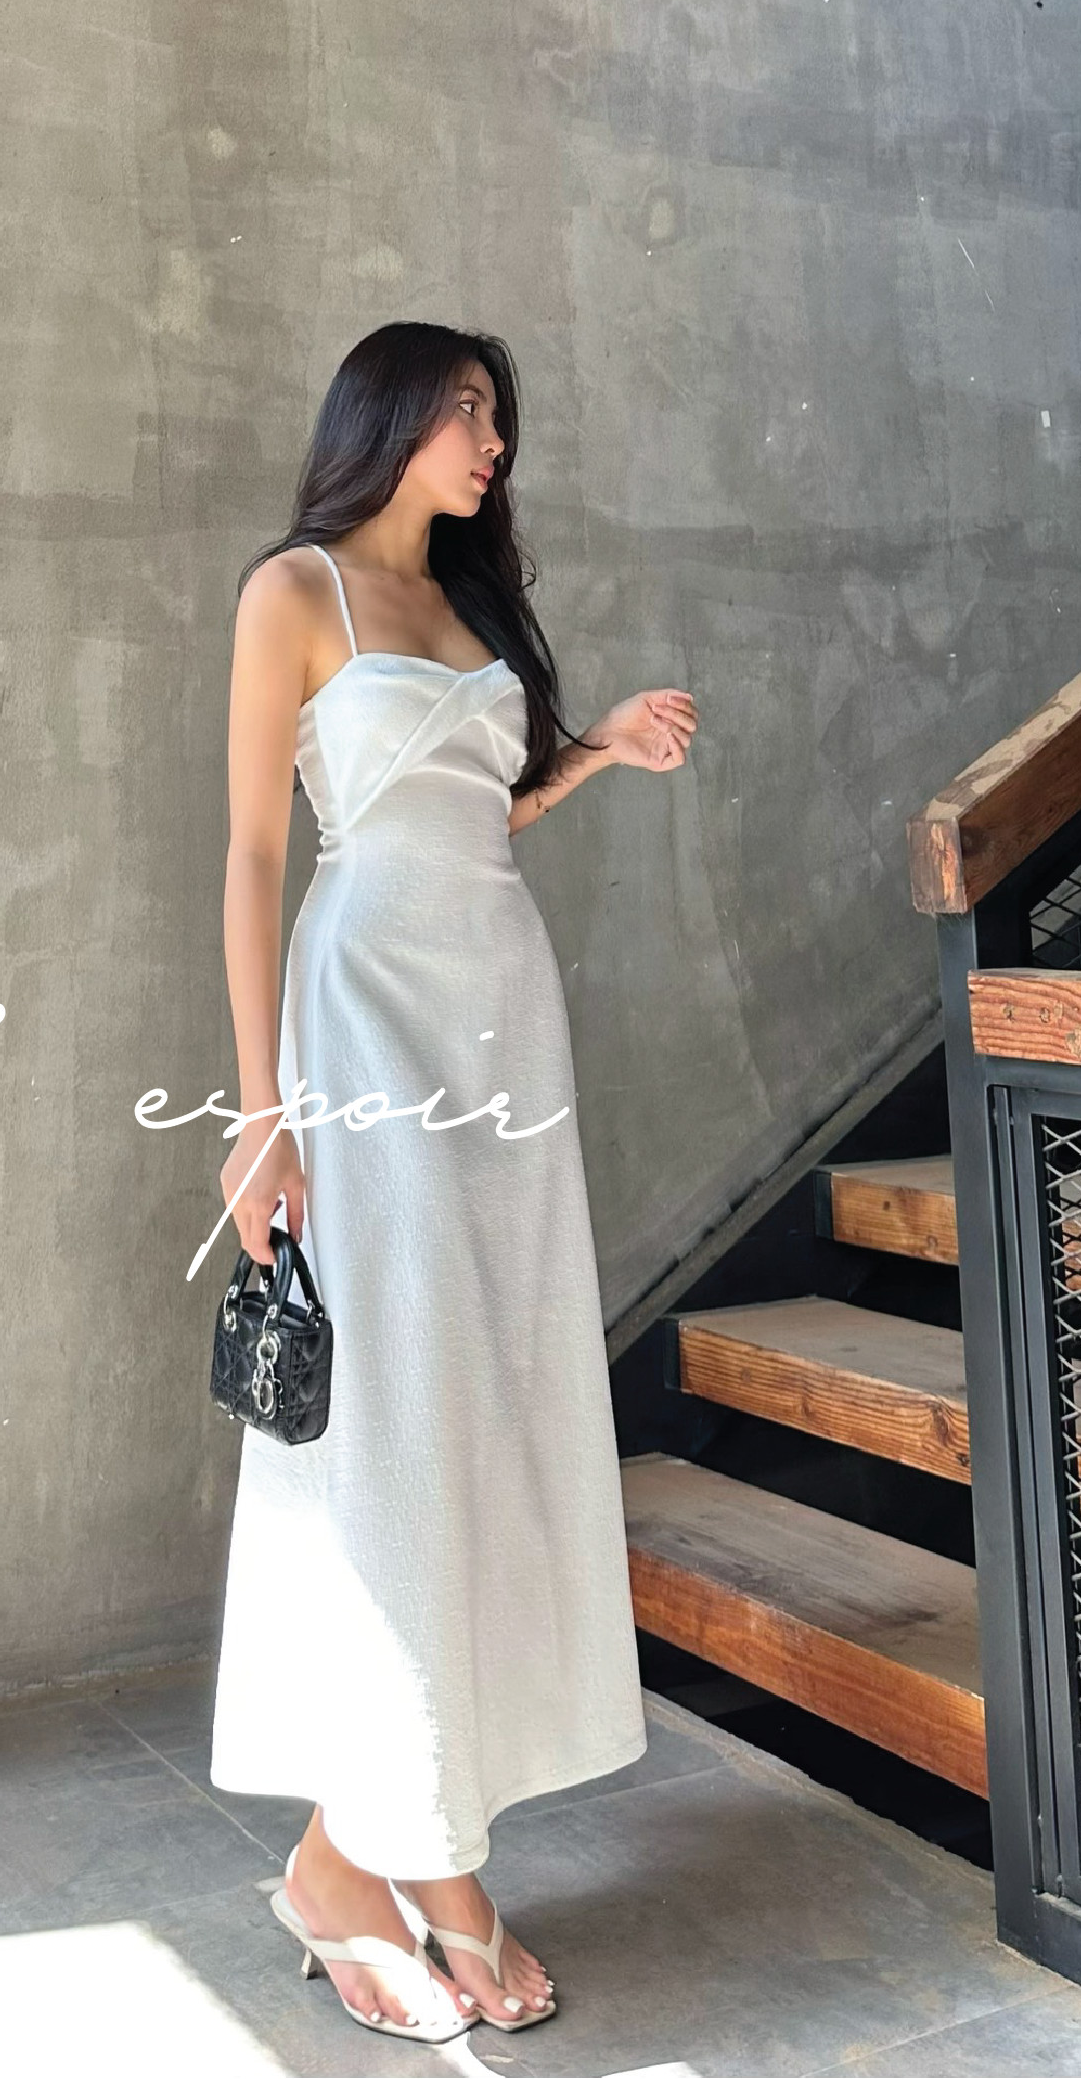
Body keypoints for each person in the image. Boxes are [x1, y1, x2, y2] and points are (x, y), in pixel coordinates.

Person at [206, 321, 699, 2041]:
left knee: (485, 1407)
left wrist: (595, 749)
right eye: (466, 411)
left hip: (500, 1015)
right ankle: (404, 1867)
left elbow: (473, 816)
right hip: (363, 1016)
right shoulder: (295, 593)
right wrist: (257, 1112)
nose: (491, 440)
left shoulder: (473, 606)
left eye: (498, 417)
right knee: (401, 1419)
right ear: (390, 417)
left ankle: (372, 1860)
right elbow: (254, 850)